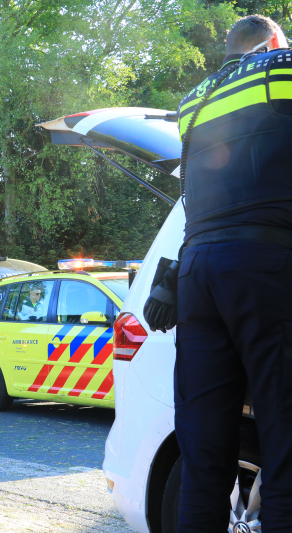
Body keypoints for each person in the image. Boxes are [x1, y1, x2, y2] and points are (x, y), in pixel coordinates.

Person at [144, 15, 292, 532]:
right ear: (273, 42)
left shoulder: (194, 101)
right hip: (267, 266)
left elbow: (210, 188)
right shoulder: (283, 68)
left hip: (200, 277)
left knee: (204, 458)